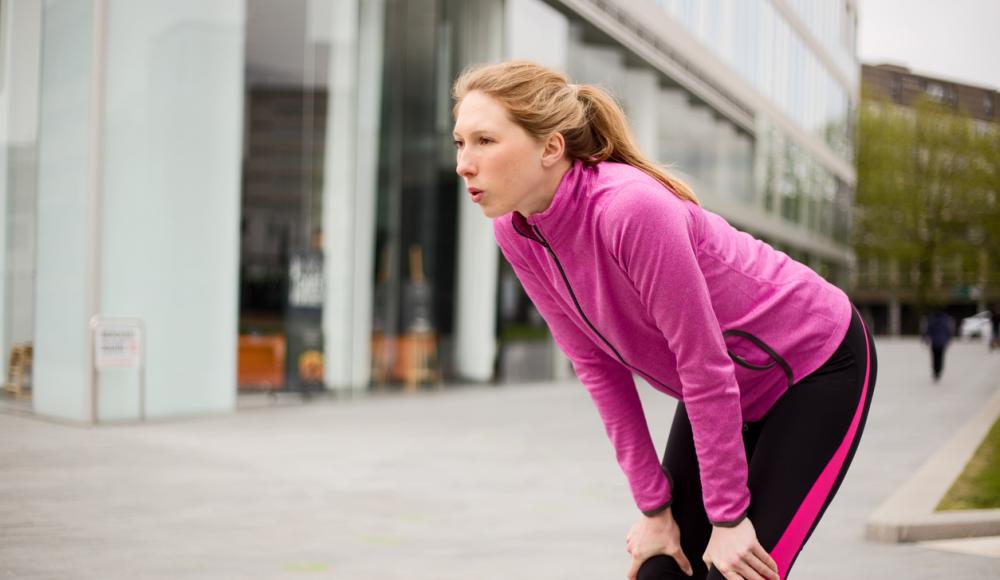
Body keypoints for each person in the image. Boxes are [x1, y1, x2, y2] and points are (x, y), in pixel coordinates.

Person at [451, 60, 878, 580]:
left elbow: (702, 365)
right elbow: (595, 366)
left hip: (814, 365)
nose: (464, 164)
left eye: (485, 141)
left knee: (737, 572)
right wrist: (654, 509)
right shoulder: (517, 232)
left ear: (550, 147)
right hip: (724, 386)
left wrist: (728, 517)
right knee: (659, 570)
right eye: (460, 143)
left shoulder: (630, 209)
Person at [923, 309, 952, 382]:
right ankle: (939, 371)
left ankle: (935, 371)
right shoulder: (945, 321)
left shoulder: (932, 321)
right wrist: (949, 340)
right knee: (940, 358)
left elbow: (927, 331)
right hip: (942, 343)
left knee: (934, 358)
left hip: (934, 343)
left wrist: (924, 339)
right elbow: (948, 331)